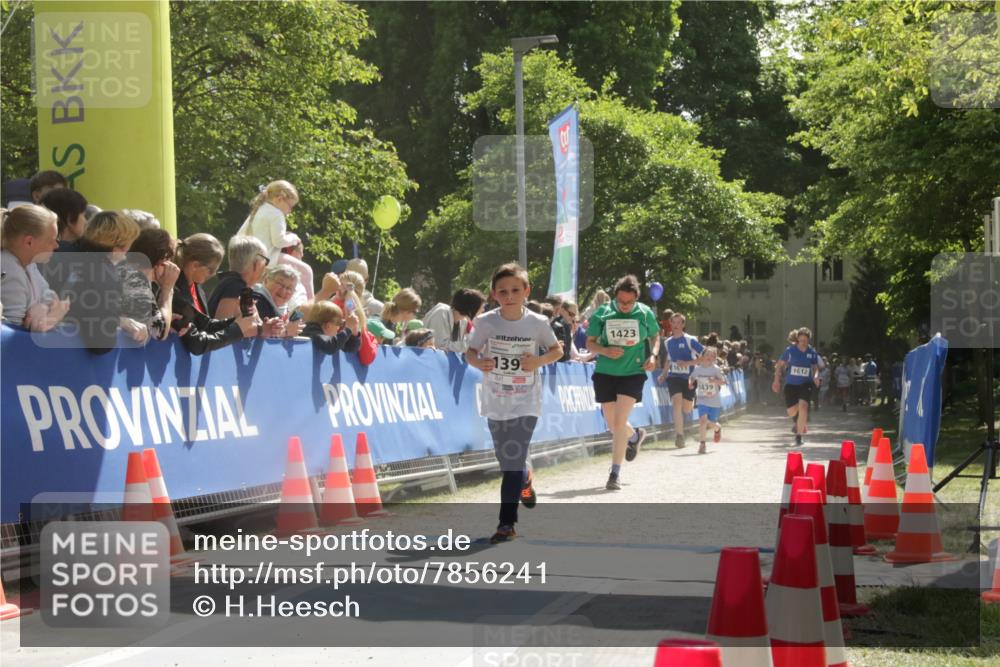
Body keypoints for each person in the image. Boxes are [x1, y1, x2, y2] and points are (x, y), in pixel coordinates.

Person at [466, 263, 562, 543]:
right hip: (496, 397)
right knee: (506, 459)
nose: (509, 295)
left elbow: (557, 350)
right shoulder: (486, 322)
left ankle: (506, 523)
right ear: (494, 294)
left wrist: (538, 361)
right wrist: (478, 362)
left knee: (513, 456)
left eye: (515, 290)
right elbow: (470, 352)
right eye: (503, 291)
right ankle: (526, 478)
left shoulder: (538, 323)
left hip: (526, 399)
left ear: (526, 291)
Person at [586, 275, 659, 490]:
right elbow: (590, 343)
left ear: (636, 297)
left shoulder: (645, 313)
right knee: (612, 424)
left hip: (633, 372)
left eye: (629, 302)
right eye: (621, 302)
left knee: (618, 423)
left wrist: (653, 355)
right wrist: (604, 350)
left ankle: (614, 473)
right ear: (616, 297)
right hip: (606, 372)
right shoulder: (603, 312)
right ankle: (635, 435)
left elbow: (655, 336)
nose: (625, 306)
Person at [60, 211, 143, 353]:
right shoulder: (104, 275)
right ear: (117, 249)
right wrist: (119, 321)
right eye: (130, 245)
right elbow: (101, 343)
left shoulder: (58, 250)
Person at [172, 233, 257, 354]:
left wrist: (239, 320)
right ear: (195, 265)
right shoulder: (176, 292)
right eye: (211, 270)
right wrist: (237, 329)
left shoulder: (196, 288)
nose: (213, 275)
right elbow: (197, 343)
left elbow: (205, 325)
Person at [237, 180, 314, 301]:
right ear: (280, 199)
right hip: (268, 256)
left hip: (251, 258)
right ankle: (312, 308)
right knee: (306, 271)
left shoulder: (259, 209)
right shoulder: (276, 213)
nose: (290, 211)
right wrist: (294, 238)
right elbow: (279, 241)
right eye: (290, 206)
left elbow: (240, 235)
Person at [0, 205, 69, 331]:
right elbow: (10, 333)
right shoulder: (9, 269)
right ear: (29, 242)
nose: (56, 245)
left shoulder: (29, 264)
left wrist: (41, 307)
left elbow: (49, 295)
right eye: (51, 240)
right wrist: (53, 315)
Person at [208, 236, 283, 337]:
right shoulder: (234, 286)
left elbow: (254, 324)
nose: (266, 267)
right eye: (266, 261)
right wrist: (262, 330)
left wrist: (271, 326)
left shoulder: (238, 286)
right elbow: (220, 330)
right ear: (256, 264)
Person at [117, 227, 179, 342]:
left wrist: (168, 317)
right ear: (162, 261)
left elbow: (151, 322)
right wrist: (167, 290)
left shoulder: (128, 272)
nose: (173, 267)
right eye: (171, 260)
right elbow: (159, 332)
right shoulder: (134, 278)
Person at [656, 312, 705, 448]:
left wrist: (688, 363)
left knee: (687, 409)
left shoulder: (690, 340)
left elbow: (704, 356)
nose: (676, 325)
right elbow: (669, 359)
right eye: (674, 322)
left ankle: (692, 398)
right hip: (674, 377)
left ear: (683, 324)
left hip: (689, 377)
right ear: (670, 324)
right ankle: (679, 436)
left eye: (679, 323)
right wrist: (664, 374)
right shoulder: (667, 342)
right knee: (676, 403)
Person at [773, 327, 821, 446]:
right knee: (791, 412)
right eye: (801, 340)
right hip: (791, 384)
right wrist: (776, 381)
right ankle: (799, 420)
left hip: (806, 383)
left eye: (805, 340)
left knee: (803, 406)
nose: (803, 342)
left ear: (808, 340)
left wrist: (815, 376)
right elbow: (779, 365)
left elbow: (815, 368)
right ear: (797, 340)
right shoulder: (790, 350)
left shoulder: (812, 352)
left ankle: (799, 436)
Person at [424, 288, 486, 353]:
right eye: (480, 307)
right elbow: (439, 345)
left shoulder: (463, 321)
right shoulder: (441, 313)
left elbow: (455, 349)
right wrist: (470, 346)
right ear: (471, 308)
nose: (483, 310)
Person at [690, 346, 727, 454]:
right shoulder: (698, 369)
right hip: (702, 399)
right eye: (707, 355)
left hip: (714, 401)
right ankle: (702, 445)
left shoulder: (715, 369)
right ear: (703, 356)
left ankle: (717, 428)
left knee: (710, 423)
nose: (709, 357)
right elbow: (692, 377)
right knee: (702, 420)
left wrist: (714, 380)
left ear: (715, 358)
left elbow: (723, 382)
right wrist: (690, 383)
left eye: (712, 356)